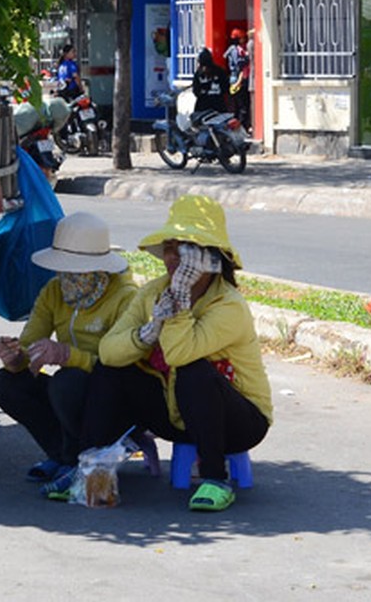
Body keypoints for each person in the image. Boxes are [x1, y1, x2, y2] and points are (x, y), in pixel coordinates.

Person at [74, 195, 273, 512]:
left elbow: (180, 354)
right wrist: (147, 333)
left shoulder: (229, 305)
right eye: (169, 248)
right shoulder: (152, 292)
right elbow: (108, 351)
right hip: (174, 412)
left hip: (238, 422)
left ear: (209, 259)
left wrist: (179, 299)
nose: (173, 258)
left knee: (195, 372)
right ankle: (88, 469)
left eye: (185, 250)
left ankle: (215, 479)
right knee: (111, 371)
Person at [0, 212, 138, 490]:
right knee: (6, 383)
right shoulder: (54, 291)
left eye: (78, 268)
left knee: (66, 382)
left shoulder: (126, 296)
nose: (68, 276)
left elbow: (120, 363)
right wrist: (15, 357)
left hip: (113, 395)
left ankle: (73, 459)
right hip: (70, 391)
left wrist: (67, 355)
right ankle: (60, 454)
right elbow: (30, 342)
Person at [224, 28, 251, 130]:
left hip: (235, 78)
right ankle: (242, 125)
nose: (244, 40)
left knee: (239, 104)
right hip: (237, 79)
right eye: (242, 38)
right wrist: (248, 58)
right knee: (242, 105)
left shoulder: (234, 49)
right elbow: (239, 64)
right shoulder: (235, 50)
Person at [191, 47, 227, 119]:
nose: (205, 69)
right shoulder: (198, 74)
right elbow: (196, 90)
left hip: (217, 106)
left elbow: (225, 87)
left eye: (207, 66)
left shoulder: (219, 72)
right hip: (203, 107)